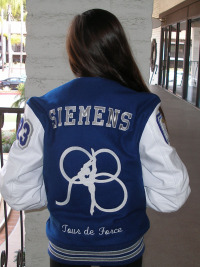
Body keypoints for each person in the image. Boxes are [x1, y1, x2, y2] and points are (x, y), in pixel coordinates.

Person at [0, 9, 190, 267]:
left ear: (74, 53)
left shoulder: (42, 108)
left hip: (65, 251)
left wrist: (54, 191)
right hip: (123, 251)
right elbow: (173, 194)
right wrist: (133, 189)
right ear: (118, 49)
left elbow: (16, 191)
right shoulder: (143, 107)